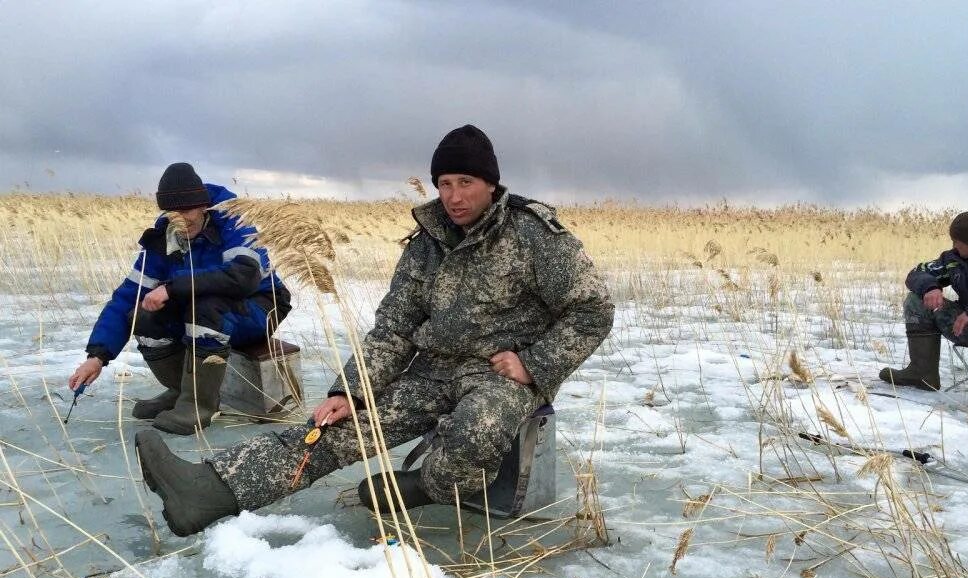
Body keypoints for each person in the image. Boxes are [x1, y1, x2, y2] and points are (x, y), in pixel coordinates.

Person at [135, 125, 615, 536]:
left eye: (465, 182)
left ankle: (428, 486)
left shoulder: (532, 236)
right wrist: (352, 390)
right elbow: (395, 327)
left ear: (491, 183)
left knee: (477, 429)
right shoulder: (427, 243)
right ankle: (206, 492)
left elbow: (593, 309)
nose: (453, 196)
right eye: (444, 183)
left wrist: (533, 365)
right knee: (330, 431)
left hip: (498, 377)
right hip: (430, 373)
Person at [68, 163, 292, 434]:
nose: (181, 219)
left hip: (261, 305)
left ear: (203, 206)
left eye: (186, 210)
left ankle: (199, 405)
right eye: (173, 212)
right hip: (201, 307)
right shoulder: (165, 239)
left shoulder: (233, 222)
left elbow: (243, 276)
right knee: (143, 316)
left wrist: (173, 289)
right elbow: (128, 296)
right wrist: (97, 355)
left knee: (205, 309)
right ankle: (180, 392)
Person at [879, 210, 968, 414]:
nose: (953, 245)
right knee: (916, 300)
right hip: (966, 327)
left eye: (957, 241)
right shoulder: (954, 259)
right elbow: (918, 272)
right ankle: (922, 373)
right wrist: (930, 287)